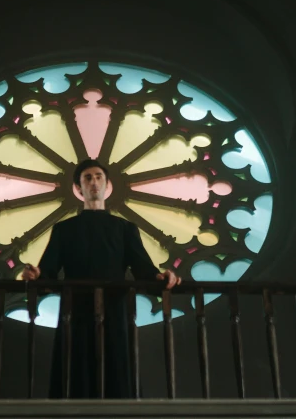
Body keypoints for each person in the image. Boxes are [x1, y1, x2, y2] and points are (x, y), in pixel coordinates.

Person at [22, 159, 181, 398]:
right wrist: (35, 275)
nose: (94, 182)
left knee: (115, 369)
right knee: (76, 370)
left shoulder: (126, 228)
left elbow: (145, 271)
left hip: (115, 309)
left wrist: (164, 277)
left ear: (108, 185)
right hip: (75, 311)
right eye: (87, 177)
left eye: (98, 177)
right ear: (78, 188)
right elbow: (48, 272)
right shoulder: (63, 230)